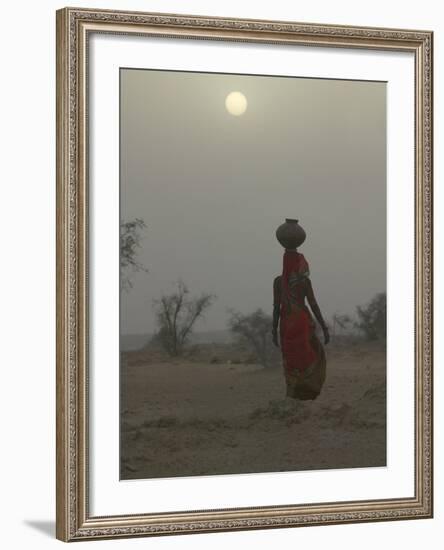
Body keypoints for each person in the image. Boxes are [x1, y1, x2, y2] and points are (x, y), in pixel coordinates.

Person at [272, 249, 329, 400]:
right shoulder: (304, 282)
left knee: (290, 358)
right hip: (302, 322)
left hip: (286, 323)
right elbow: (313, 305)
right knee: (311, 354)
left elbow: (276, 308)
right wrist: (324, 327)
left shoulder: (278, 282)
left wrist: (273, 330)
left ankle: (293, 393)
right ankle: (309, 391)